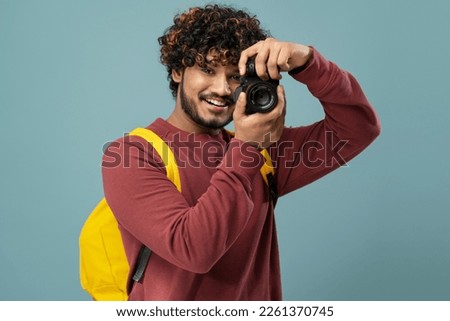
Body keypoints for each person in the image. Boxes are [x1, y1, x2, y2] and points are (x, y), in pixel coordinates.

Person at [102, 4, 381, 300]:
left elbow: (357, 128)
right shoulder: (131, 155)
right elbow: (194, 250)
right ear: (177, 71)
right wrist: (247, 148)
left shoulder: (264, 153)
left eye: (236, 76)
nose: (222, 88)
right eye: (207, 70)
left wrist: (309, 63)